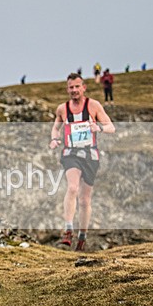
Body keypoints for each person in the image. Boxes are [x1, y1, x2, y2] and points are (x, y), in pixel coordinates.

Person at [49, 73, 115, 251]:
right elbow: (56, 127)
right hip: (71, 153)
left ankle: (82, 237)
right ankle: (68, 230)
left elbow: (111, 127)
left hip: (90, 155)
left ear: (83, 87)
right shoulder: (62, 109)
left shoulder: (93, 105)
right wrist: (55, 139)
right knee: (72, 188)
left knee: (85, 200)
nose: (74, 90)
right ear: (67, 89)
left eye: (77, 87)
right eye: (71, 87)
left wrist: (98, 127)